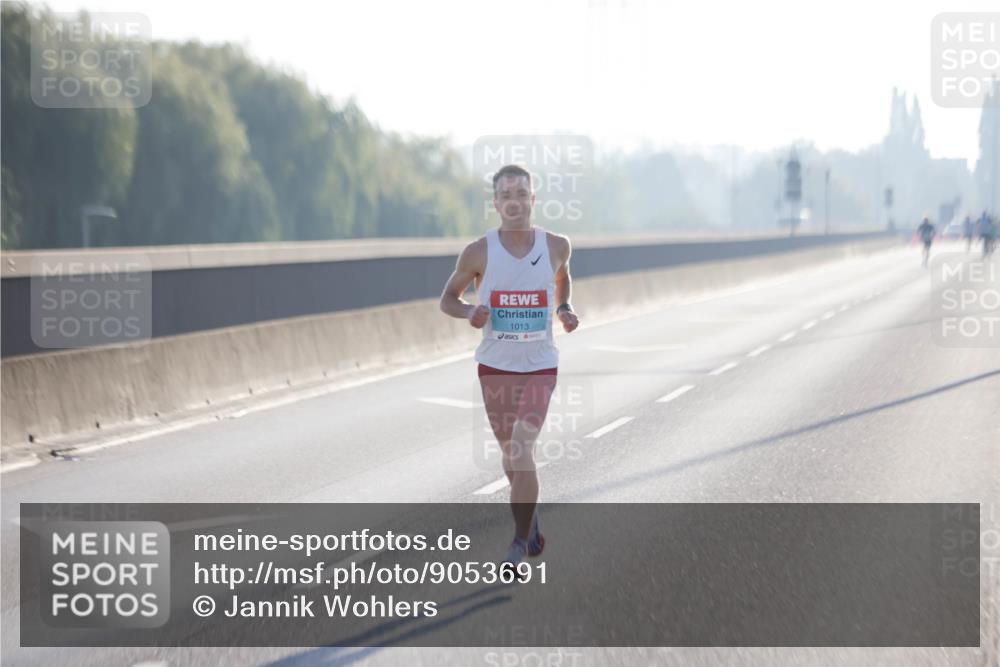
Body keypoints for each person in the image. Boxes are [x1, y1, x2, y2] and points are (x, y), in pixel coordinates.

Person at [439, 163, 579, 568]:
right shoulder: (478, 251)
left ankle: (518, 545)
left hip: (540, 364)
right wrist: (468, 313)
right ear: (495, 203)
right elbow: (447, 298)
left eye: (522, 194)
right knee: (509, 455)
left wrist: (565, 307)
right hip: (495, 366)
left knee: (521, 446)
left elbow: (563, 278)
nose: (514, 202)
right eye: (506, 196)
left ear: (532, 200)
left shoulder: (556, 245)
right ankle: (530, 520)